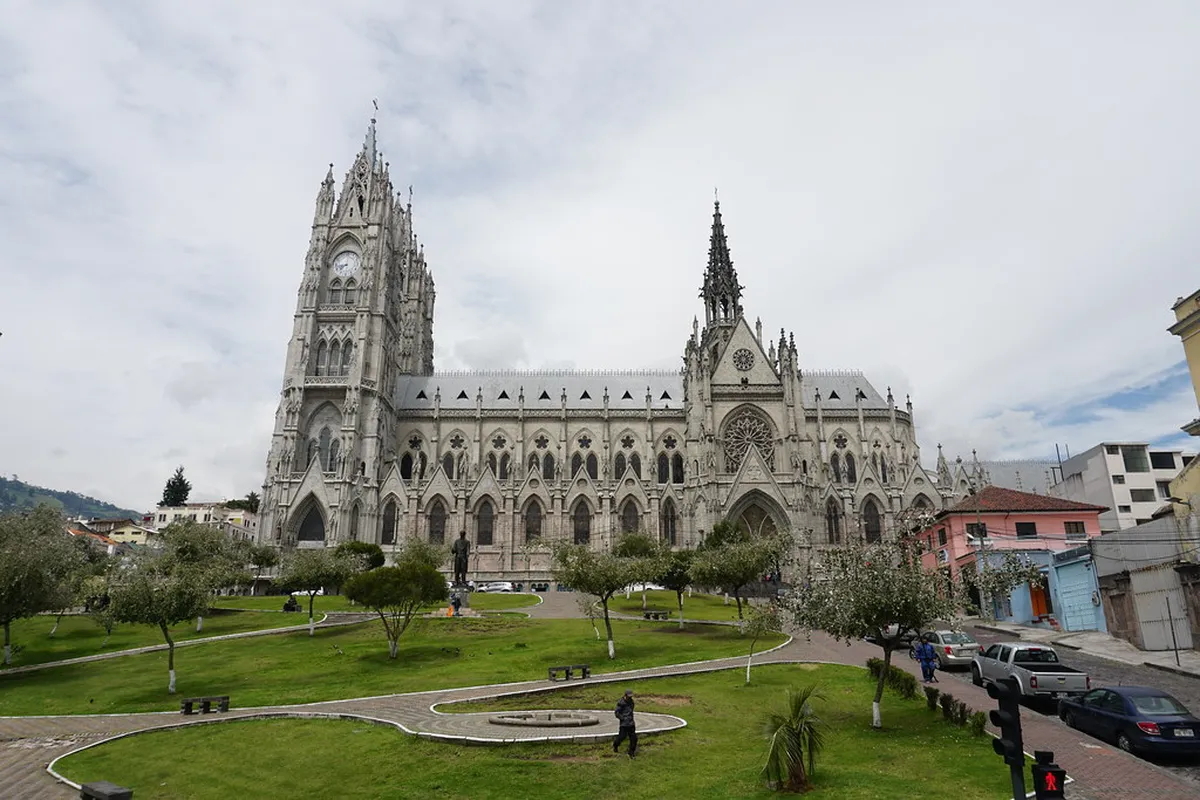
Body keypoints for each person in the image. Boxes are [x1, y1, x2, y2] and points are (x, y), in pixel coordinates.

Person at [613, 689, 638, 757]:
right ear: (625, 695)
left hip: (631, 723)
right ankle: (615, 745)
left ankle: (631, 753)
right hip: (624, 724)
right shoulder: (621, 703)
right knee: (622, 737)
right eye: (628, 696)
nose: (630, 698)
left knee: (634, 738)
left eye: (631, 696)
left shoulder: (631, 702)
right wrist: (623, 718)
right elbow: (617, 713)